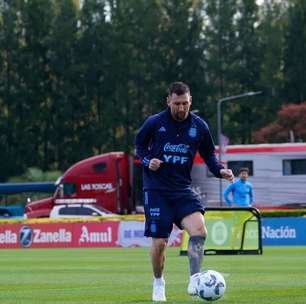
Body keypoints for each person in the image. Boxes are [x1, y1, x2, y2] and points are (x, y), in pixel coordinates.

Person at [135, 81, 234, 302]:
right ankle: (159, 282)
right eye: (177, 103)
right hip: (157, 189)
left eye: (185, 104)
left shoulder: (199, 126)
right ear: (168, 101)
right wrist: (148, 160)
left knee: (199, 230)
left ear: (191, 102)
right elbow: (139, 147)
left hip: (182, 189)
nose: (181, 109)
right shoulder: (154, 122)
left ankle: (195, 278)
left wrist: (220, 171)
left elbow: (209, 155)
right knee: (160, 243)